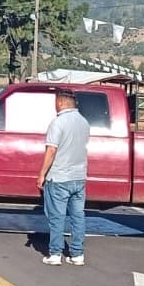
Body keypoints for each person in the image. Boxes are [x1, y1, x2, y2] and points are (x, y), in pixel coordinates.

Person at [36, 89, 90, 266]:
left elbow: (51, 150)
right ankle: (77, 254)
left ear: (60, 103)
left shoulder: (57, 123)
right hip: (79, 177)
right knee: (78, 216)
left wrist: (42, 174)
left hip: (59, 177)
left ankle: (55, 253)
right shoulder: (84, 123)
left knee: (57, 216)